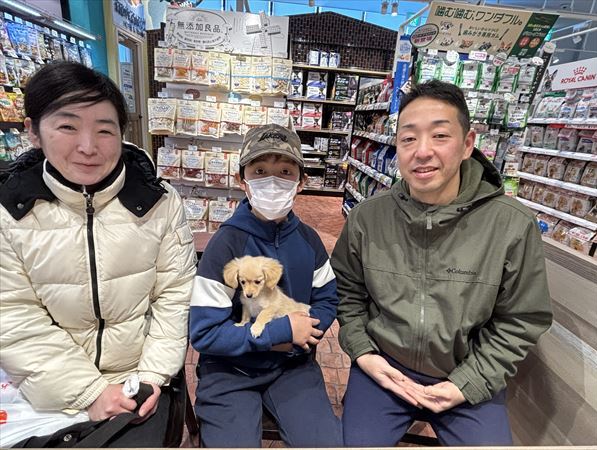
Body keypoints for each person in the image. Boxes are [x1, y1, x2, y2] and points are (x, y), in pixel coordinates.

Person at [331, 80, 553, 446]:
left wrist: (468, 382)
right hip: (384, 369)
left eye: (439, 136)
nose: (422, 151)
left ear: (468, 144)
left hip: (468, 373)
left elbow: (521, 319)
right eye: (408, 138)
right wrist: (365, 355)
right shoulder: (367, 218)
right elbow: (346, 293)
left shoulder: (512, 225)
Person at [0, 61, 197, 447]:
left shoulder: (158, 202)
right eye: (67, 127)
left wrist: (151, 377)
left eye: (105, 130)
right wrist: (89, 392)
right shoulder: (9, 211)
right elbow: (13, 315)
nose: (88, 147)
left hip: (138, 378)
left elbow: (174, 295)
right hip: (44, 384)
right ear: (33, 131)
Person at [189, 123, 343, 448]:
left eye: (285, 172)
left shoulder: (310, 241)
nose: (272, 182)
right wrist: (279, 333)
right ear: (241, 180)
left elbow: (327, 299)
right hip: (228, 371)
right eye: (260, 171)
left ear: (301, 182)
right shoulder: (224, 245)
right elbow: (204, 333)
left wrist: (306, 331)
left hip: (293, 368)